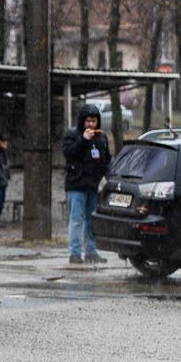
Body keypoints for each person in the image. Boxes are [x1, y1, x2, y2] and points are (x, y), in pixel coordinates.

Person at [62, 103, 111, 264]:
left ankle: (91, 251)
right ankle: (74, 253)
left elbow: (106, 160)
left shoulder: (102, 138)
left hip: (93, 185)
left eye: (94, 121)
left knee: (91, 220)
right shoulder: (72, 135)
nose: (91, 124)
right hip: (76, 184)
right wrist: (83, 140)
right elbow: (69, 153)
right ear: (82, 121)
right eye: (88, 121)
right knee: (76, 220)